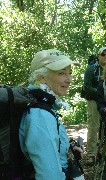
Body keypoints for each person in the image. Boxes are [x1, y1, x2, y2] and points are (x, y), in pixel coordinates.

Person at [19, 49, 84, 179]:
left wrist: (67, 147)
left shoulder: (43, 104)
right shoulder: (40, 115)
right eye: (62, 73)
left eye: (70, 73)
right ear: (42, 77)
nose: (69, 79)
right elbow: (49, 176)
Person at [83, 47, 106, 165]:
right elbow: (87, 86)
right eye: (102, 54)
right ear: (98, 56)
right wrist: (100, 93)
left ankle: (103, 152)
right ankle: (91, 155)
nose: (105, 56)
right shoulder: (91, 69)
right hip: (93, 101)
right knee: (94, 127)